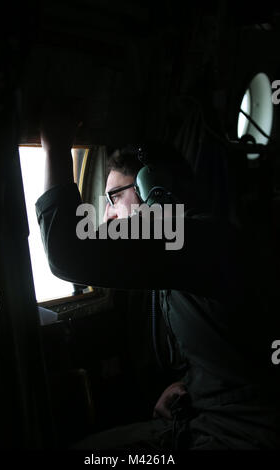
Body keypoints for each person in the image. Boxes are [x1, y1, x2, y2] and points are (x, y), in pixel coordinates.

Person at [35, 105, 280, 450]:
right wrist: (187, 385)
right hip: (206, 416)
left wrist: (56, 141)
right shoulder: (190, 239)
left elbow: (66, 252)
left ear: (154, 189)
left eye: (113, 197)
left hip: (240, 434)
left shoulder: (189, 237)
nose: (105, 213)